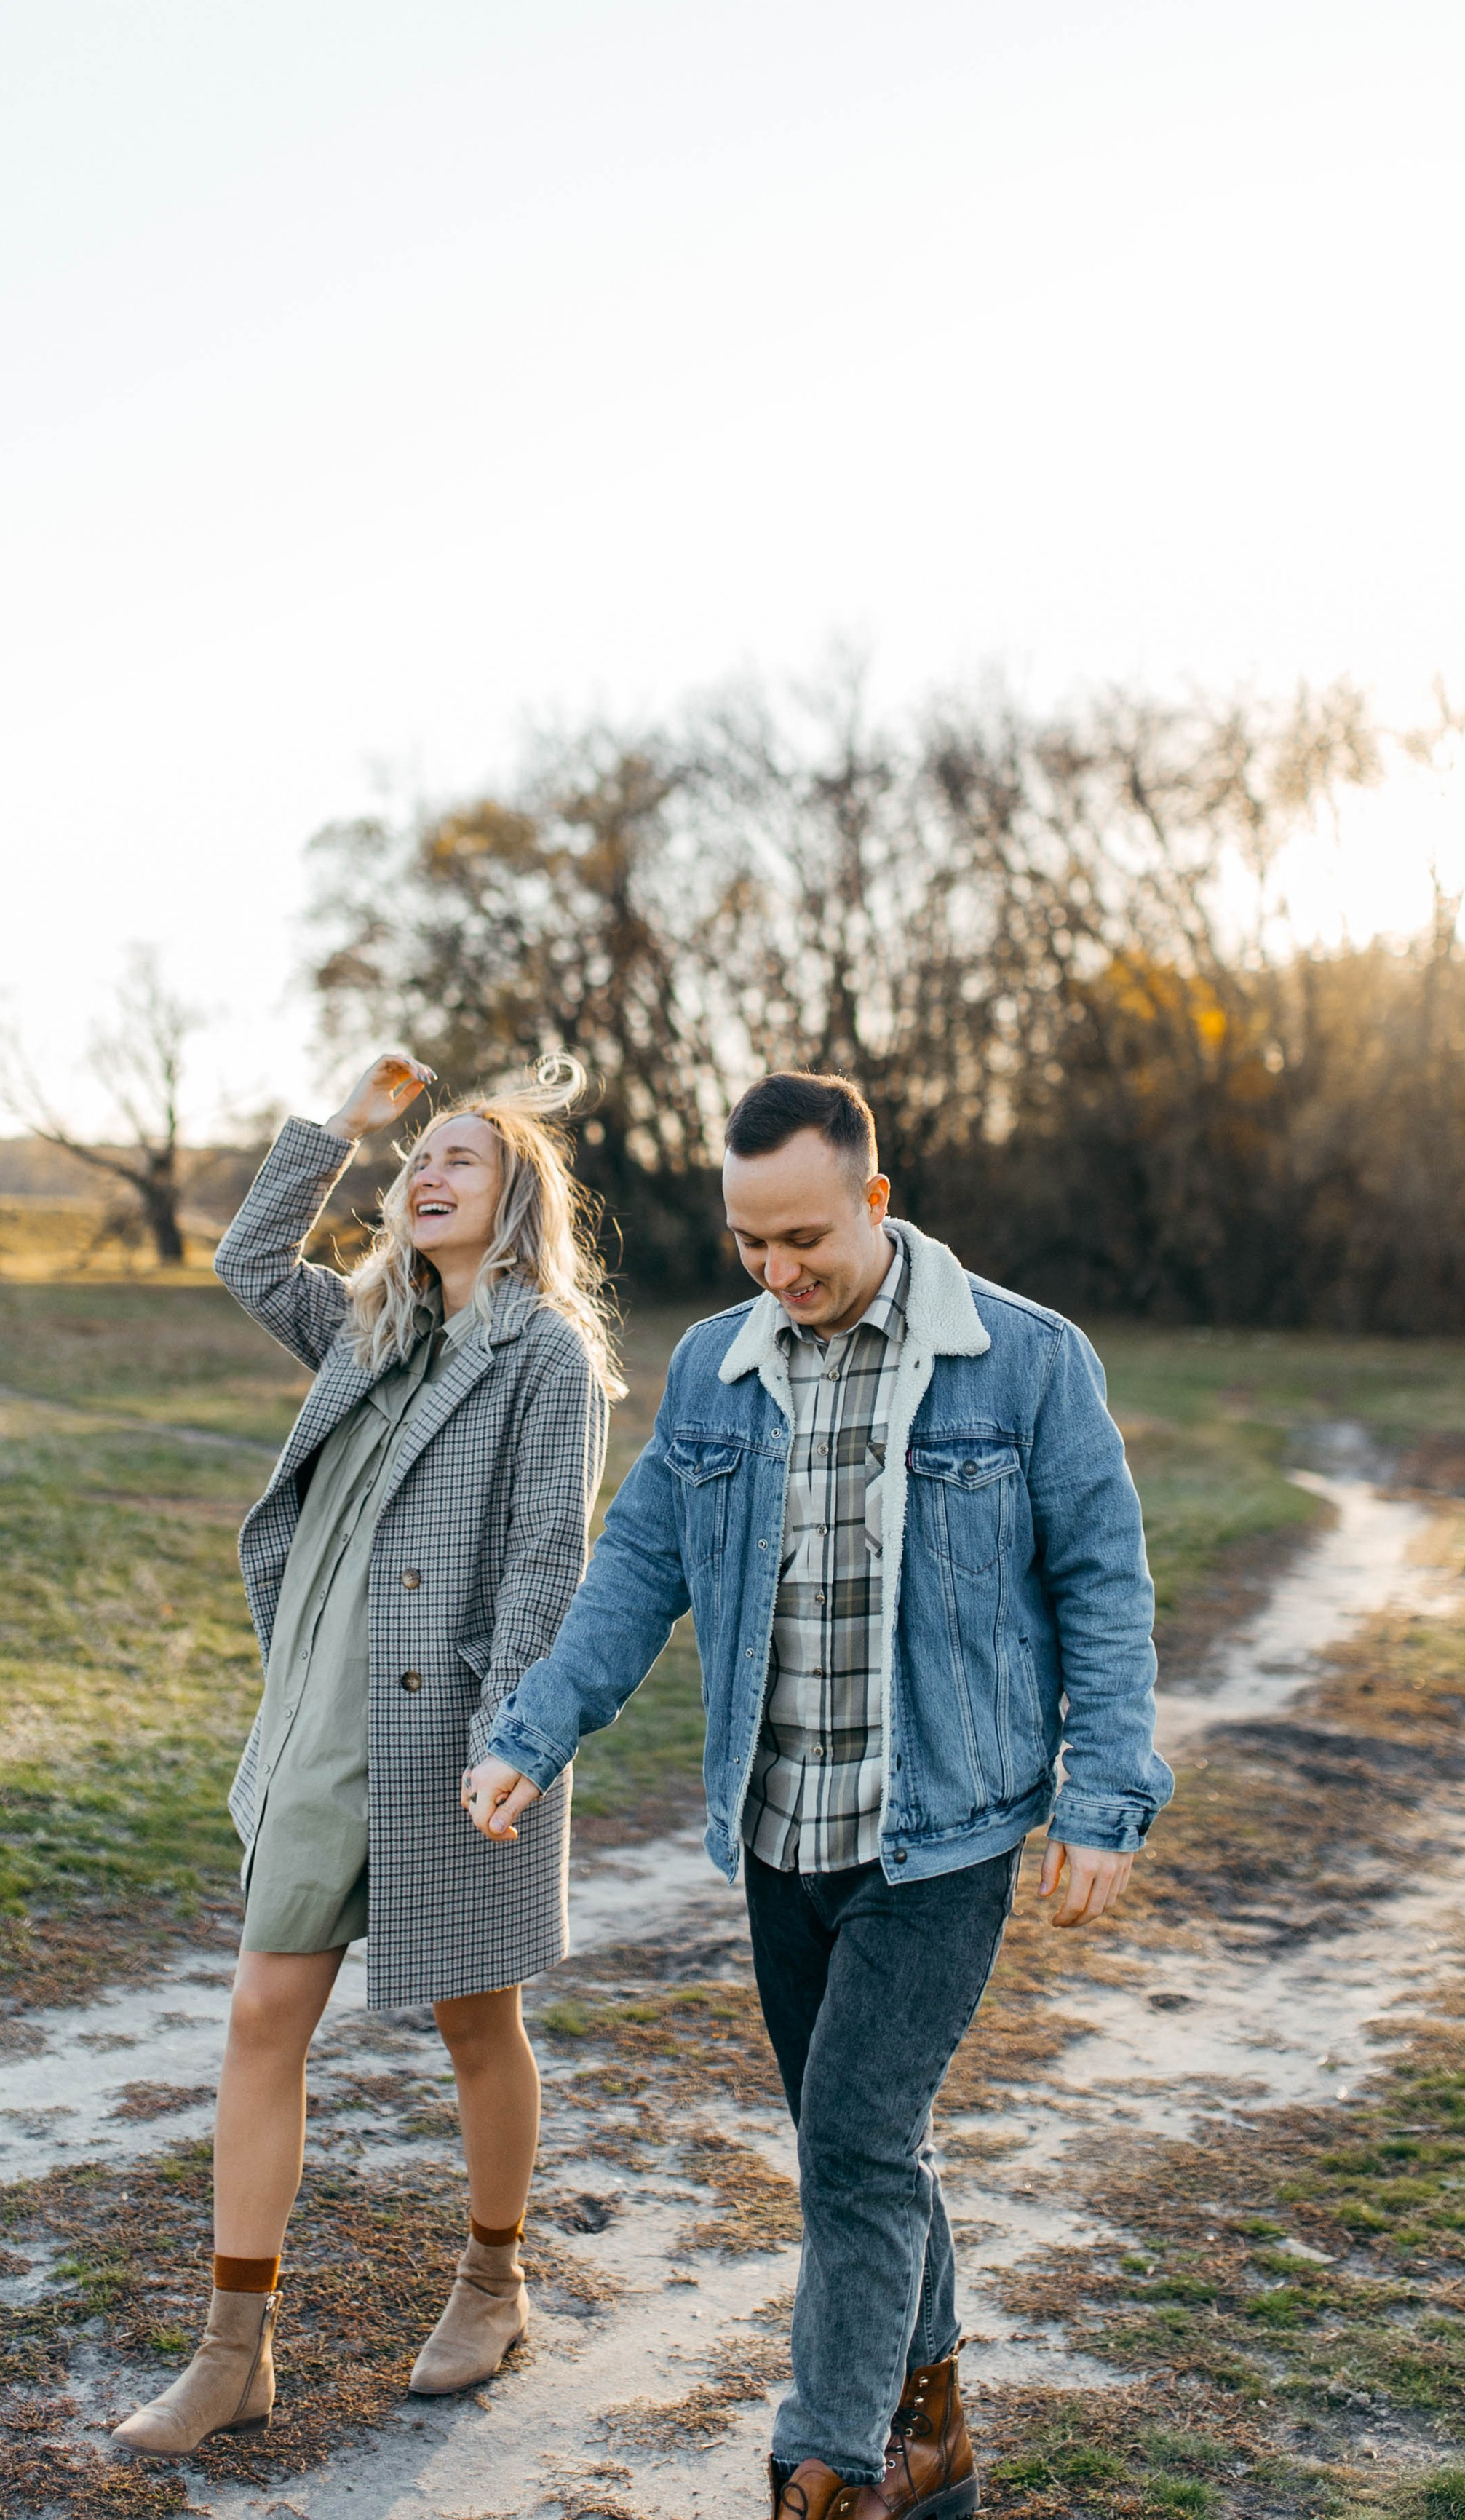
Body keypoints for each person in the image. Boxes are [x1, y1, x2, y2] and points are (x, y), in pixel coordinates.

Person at [464, 1070, 1172, 2520]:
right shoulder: (714, 1366)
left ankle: (828, 2467)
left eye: (804, 1239)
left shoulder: (1024, 1361)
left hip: (941, 1837)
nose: (777, 1272)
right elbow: (637, 1569)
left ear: (874, 1199)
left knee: (849, 2145)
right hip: (780, 1834)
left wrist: (1102, 1792)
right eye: (750, 1242)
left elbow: (1104, 1584)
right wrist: (535, 1730)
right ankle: (934, 2433)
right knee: (864, 2151)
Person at [114, 1052, 620, 2459]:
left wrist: (512, 1737)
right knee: (261, 2016)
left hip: (458, 1737)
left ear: (518, 1201)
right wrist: (342, 1125)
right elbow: (244, 1258)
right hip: (315, 1727)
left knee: (475, 2023)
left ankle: (494, 2286)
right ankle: (233, 2353)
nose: (430, 1173)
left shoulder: (544, 1356)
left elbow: (547, 1558)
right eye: (421, 1158)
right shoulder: (367, 1323)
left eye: (464, 1158)